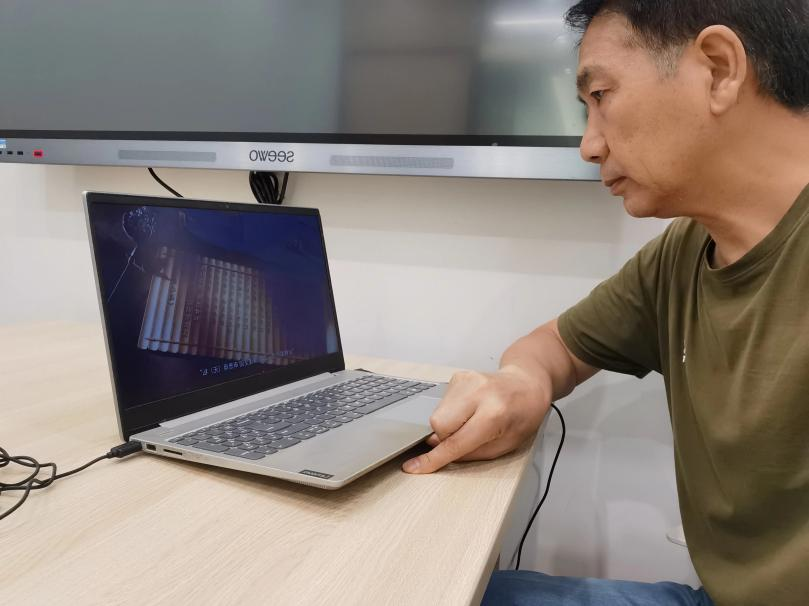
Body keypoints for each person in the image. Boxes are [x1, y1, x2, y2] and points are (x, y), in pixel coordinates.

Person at [400, 1, 809, 604]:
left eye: (600, 95)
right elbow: (557, 346)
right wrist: (522, 382)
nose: (589, 145)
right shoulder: (682, 253)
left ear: (719, 69)